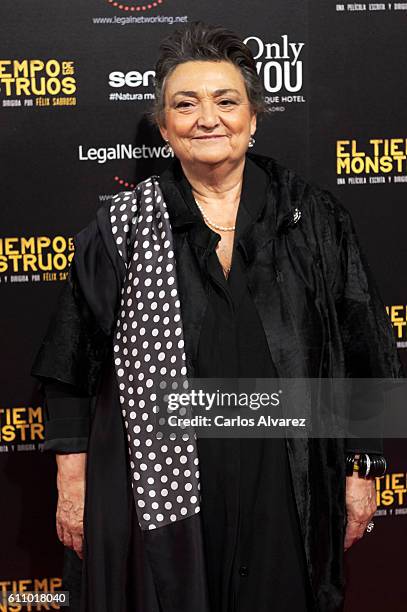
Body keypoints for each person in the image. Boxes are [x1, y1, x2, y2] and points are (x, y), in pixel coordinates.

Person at [31, 21, 403, 612]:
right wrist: (71, 483)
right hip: (156, 489)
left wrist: (362, 470)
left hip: (286, 476)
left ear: (253, 119)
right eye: (186, 104)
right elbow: (71, 365)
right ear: (164, 126)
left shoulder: (316, 220)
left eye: (227, 101)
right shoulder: (120, 230)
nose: (208, 119)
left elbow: (367, 349)